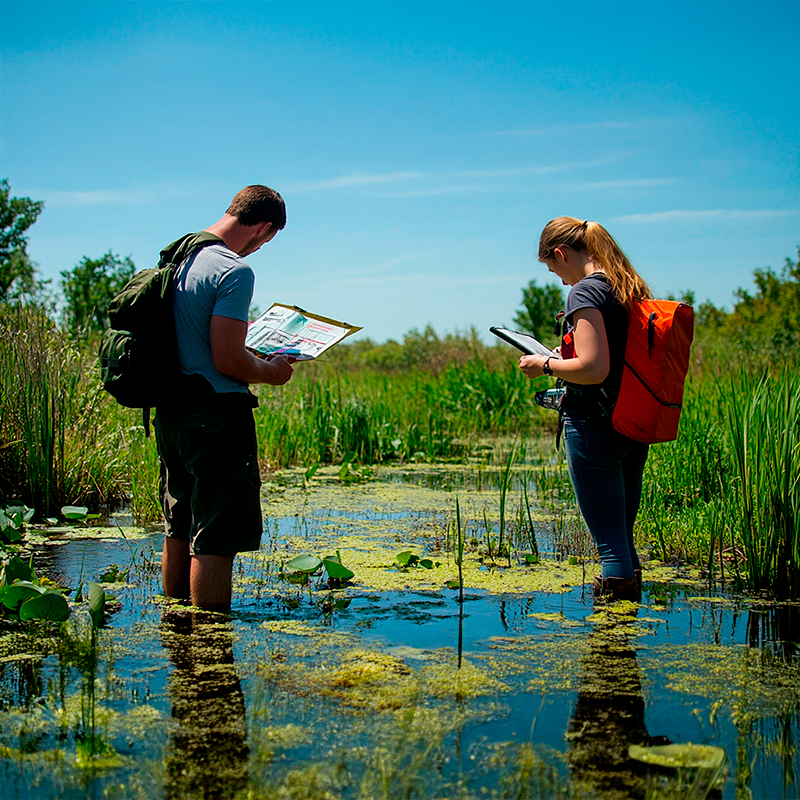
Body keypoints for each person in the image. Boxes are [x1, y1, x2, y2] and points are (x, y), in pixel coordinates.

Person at [155, 185, 294, 612]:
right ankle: (210, 643)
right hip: (215, 415)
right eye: (268, 240)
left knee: (180, 523)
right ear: (264, 228)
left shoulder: (179, 259)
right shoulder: (233, 270)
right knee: (217, 533)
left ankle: (175, 629)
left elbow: (194, 337)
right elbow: (229, 360)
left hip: (171, 412)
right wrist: (272, 372)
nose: (261, 248)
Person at [519, 217, 653, 602]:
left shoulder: (584, 292)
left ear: (561, 254)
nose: (560, 279)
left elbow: (594, 368)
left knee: (611, 550)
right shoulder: (627, 287)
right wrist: (564, 357)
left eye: (553, 268)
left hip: (595, 425)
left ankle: (609, 647)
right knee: (622, 540)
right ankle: (628, 638)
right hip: (632, 421)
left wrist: (542, 364)